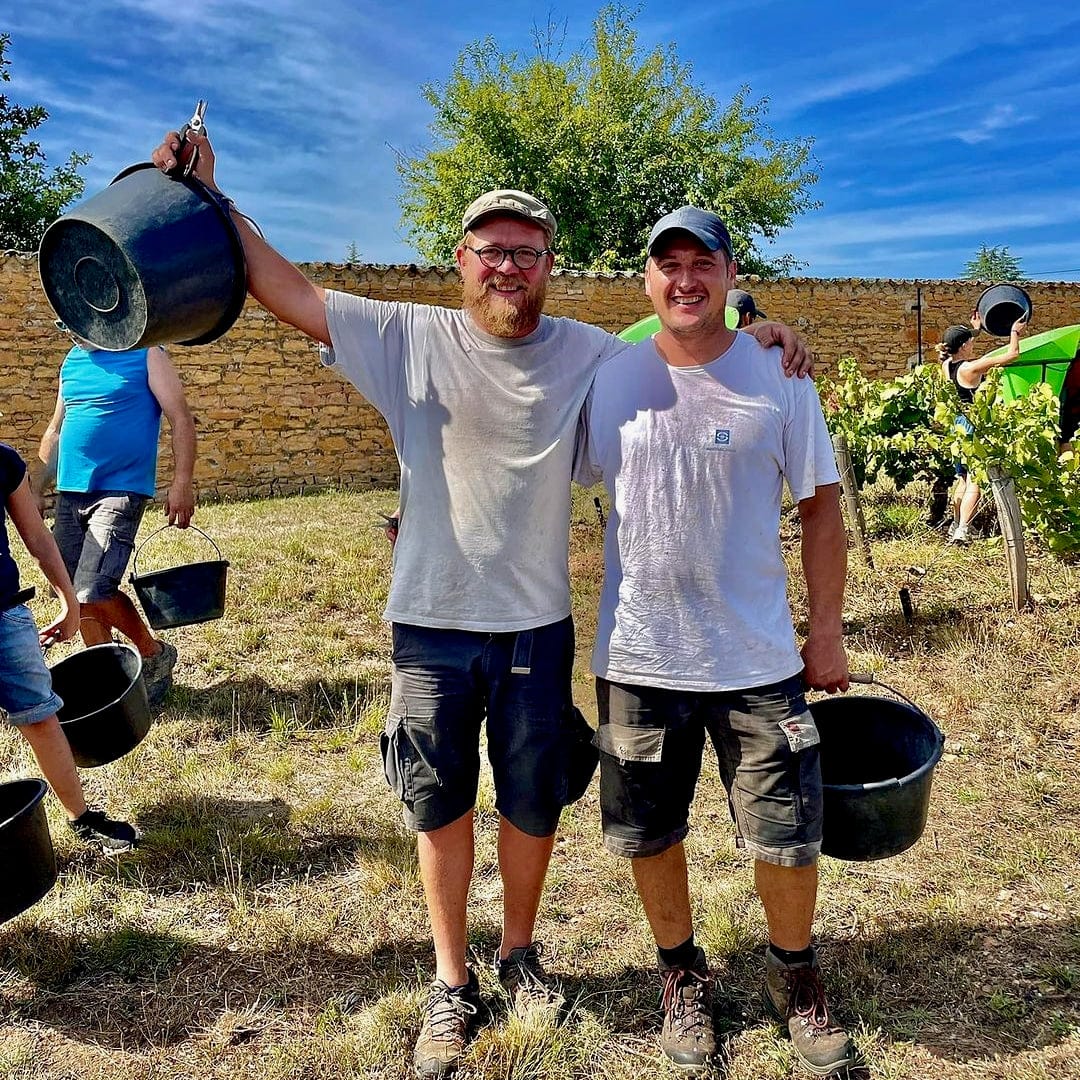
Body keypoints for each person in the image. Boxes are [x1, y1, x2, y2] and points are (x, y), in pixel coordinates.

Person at [151, 128, 809, 1079]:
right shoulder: (403, 336)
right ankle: (450, 980)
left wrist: (761, 330)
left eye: (526, 253)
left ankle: (519, 953)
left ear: (549, 267)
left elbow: (683, 335)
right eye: (491, 250)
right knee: (441, 804)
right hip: (428, 623)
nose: (508, 266)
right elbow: (283, 290)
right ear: (461, 261)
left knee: (532, 802)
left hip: (537, 621)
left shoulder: (587, 351)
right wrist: (214, 197)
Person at [576, 206, 855, 1075]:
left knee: (788, 832)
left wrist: (828, 632)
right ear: (646, 280)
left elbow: (819, 508)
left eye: (705, 263)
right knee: (649, 831)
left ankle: (795, 975)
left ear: (732, 277)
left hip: (758, 657)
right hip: (639, 655)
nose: (686, 279)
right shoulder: (606, 376)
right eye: (670, 264)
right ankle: (680, 974)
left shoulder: (781, 374)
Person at [34, 329, 197, 707]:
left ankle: (153, 654)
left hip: (121, 490)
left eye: (71, 322)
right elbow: (55, 432)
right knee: (72, 593)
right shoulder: (72, 361)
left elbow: (181, 418)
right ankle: (113, 678)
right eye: (61, 325)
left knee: (92, 588)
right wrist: (37, 487)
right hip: (71, 493)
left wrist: (182, 481)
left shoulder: (147, 354)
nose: (68, 330)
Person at [1, 440, 140, 853]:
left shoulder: (3, 462)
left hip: (6, 617)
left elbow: (38, 538)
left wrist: (69, 600)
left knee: (41, 717)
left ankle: (82, 819)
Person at [937, 313, 1025, 545]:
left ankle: (956, 524)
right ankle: (963, 531)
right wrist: (1014, 332)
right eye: (971, 341)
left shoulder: (946, 365)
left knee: (963, 479)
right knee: (975, 479)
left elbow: (958, 344)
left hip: (957, 426)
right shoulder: (971, 368)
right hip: (972, 425)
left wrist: (975, 330)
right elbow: (1013, 355)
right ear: (964, 346)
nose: (974, 344)